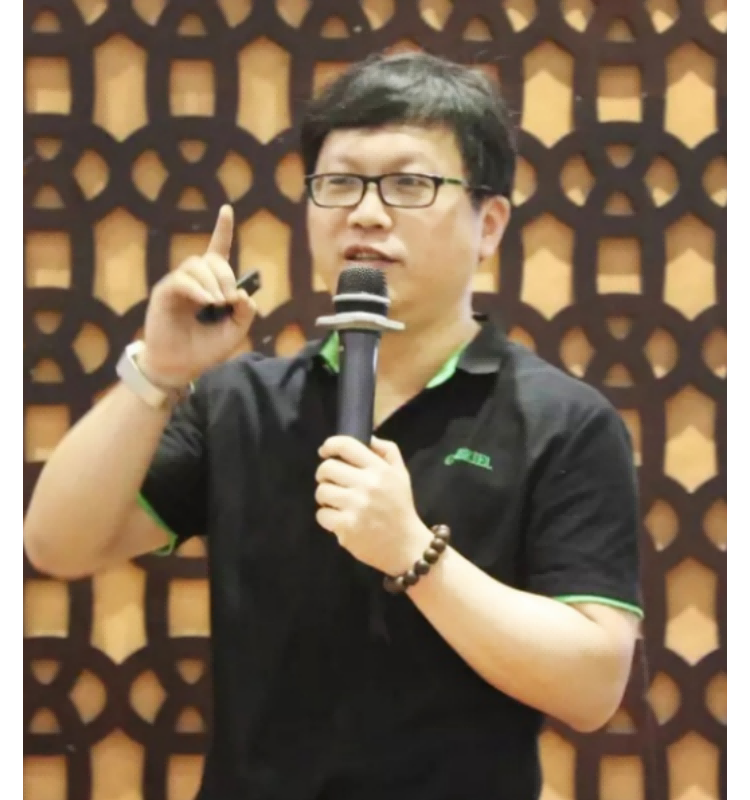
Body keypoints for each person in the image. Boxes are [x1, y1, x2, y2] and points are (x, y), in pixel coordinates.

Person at [24, 52, 643, 800]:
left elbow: (592, 685)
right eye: (339, 183)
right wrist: (157, 371)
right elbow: (57, 543)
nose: (367, 213)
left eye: (410, 184)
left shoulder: (561, 420)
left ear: (489, 224)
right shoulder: (243, 402)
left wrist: (413, 552)